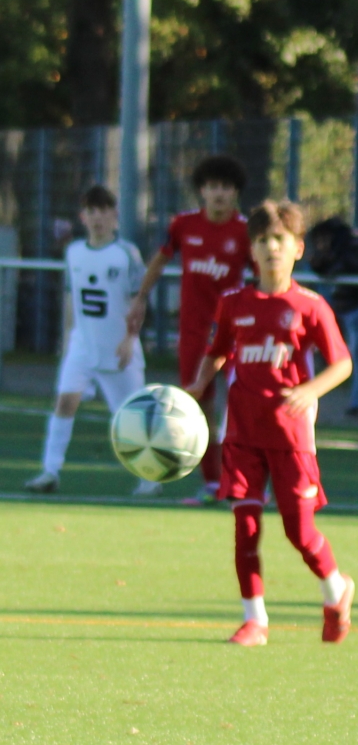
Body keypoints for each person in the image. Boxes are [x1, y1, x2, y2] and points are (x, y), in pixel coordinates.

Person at [192, 202, 356, 647]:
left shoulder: (310, 306)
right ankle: (255, 620)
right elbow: (217, 352)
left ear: (298, 248)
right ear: (252, 250)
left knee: (299, 532)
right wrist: (197, 386)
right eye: (262, 241)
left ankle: (336, 590)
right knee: (245, 527)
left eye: (280, 240)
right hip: (242, 432)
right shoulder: (234, 303)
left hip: (291, 435)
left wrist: (311, 390)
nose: (271, 249)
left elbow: (342, 363)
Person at [127, 154, 251, 504]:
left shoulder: (245, 231)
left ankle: (246, 480)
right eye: (212, 187)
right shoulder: (184, 225)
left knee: (243, 408)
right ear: (201, 191)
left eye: (226, 187)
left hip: (236, 333)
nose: (219, 194)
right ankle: (212, 483)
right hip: (194, 334)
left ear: (236, 192)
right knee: (200, 408)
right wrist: (140, 298)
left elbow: (266, 277)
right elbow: (159, 260)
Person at [25, 186, 154, 496]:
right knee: (65, 402)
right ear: (83, 217)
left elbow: (138, 300)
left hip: (118, 349)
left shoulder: (126, 253)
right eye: (91, 211)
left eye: (103, 211)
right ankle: (50, 471)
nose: (98, 218)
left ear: (115, 215)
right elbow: (72, 298)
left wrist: (129, 339)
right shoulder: (74, 252)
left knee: (129, 417)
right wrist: (68, 340)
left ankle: (150, 477)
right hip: (82, 345)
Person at [304, 215, 358, 417]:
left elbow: (352, 269)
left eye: (320, 240)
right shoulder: (348, 246)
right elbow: (323, 269)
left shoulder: (348, 247)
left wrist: (328, 261)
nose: (319, 245)